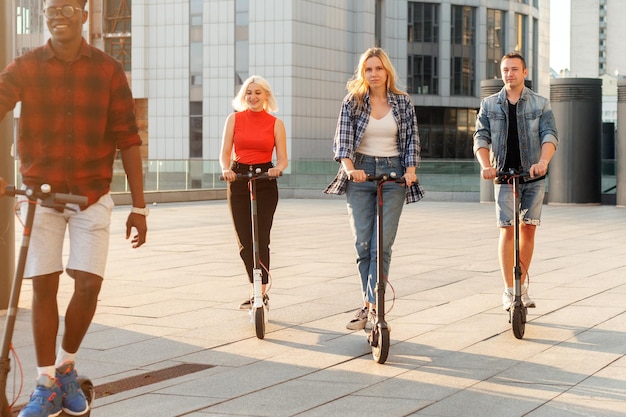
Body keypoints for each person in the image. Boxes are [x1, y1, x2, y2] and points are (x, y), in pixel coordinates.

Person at [0, 1, 148, 416]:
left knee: (88, 283)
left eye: (67, 7)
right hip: (40, 196)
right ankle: (46, 380)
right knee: (43, 285)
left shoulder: (106, 70)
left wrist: (140, 207)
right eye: (50, 8)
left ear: (85, 15)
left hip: (91, 195)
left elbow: (128, 138)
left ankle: (67, 365)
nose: (57, 14)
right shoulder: (25, 66)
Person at [325, 47, 423, 331]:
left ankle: (372, 306)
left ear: (387, 71)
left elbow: (411, 140)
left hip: (394, 175)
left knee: (383, 245)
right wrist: (349, 168)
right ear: (362, 73)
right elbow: (342, 142)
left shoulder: (403, 103)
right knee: (363, 244)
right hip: (360, 174)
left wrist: (410, 172)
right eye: (368, 69)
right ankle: (370, 305)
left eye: (378, 68)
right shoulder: (353, 102)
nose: (374, 74)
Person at [473, 52, 558, 312]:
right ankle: (509, 290)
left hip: (533, 175)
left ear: (525, 72)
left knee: (529, 228)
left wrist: (543, 161)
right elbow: (480, 137)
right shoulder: (489, 105)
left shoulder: (541, 104)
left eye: (514, 69)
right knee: (507, 228)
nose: (509, 74)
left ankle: (522, 286)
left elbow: (550, 135)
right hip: (503, 175)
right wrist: (486, 165)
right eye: (505, 69)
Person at [220, 75, 288, 309]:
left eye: (258, 93)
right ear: (243, 96)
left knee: (261, 238)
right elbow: (225, 152)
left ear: (266, 96)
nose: (253, 97)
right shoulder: (234, 119)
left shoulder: (275, 123)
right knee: (244, 240)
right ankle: (254, 287)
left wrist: (278, 169)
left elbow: (283, 158)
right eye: (249, 93)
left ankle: (260, 293)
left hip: (265, 179)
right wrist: (226, 169)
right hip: (238, 178)